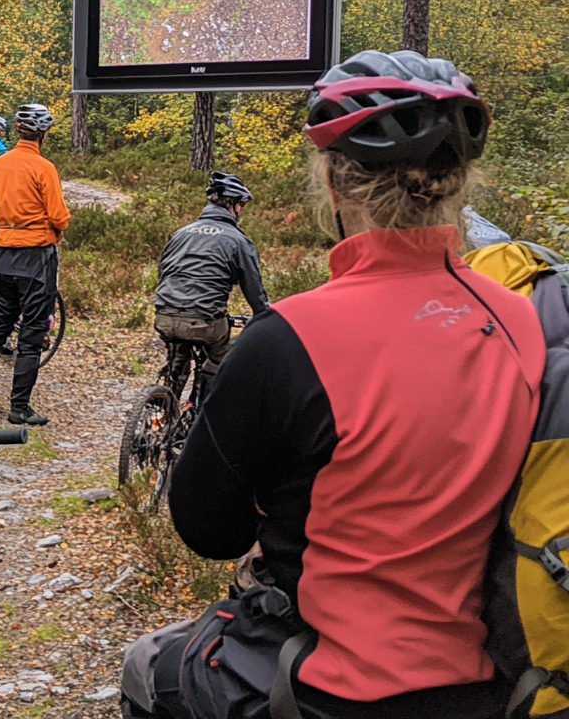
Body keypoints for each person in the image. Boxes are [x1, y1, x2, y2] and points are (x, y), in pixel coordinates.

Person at [121, 49, 545, 719]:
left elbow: (207, 529)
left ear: (332, 180)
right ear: (459, 183)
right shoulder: (521, 320)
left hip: (323, 686)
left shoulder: (289, 340)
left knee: (146, 667)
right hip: (488, 685)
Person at [0, 104, 70, 426]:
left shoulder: (0, 164)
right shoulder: (44, 167)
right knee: (31, 337)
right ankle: (19, 408)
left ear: (19, 131)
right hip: (37, 258)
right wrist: (54, 228)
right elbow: (60, 216)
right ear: (43, 134)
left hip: (3, 253)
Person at [152, 171, 269, 395]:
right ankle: (205, 410)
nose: (241, 210)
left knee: (178, 355)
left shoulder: (181, 233)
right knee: (222, 357)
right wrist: (265, 316)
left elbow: (164, 273)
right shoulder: (238, 240)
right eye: (241, 205)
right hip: (205, 322)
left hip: (165, 315)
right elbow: (254, 291)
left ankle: (163, 408)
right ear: (234, 205)